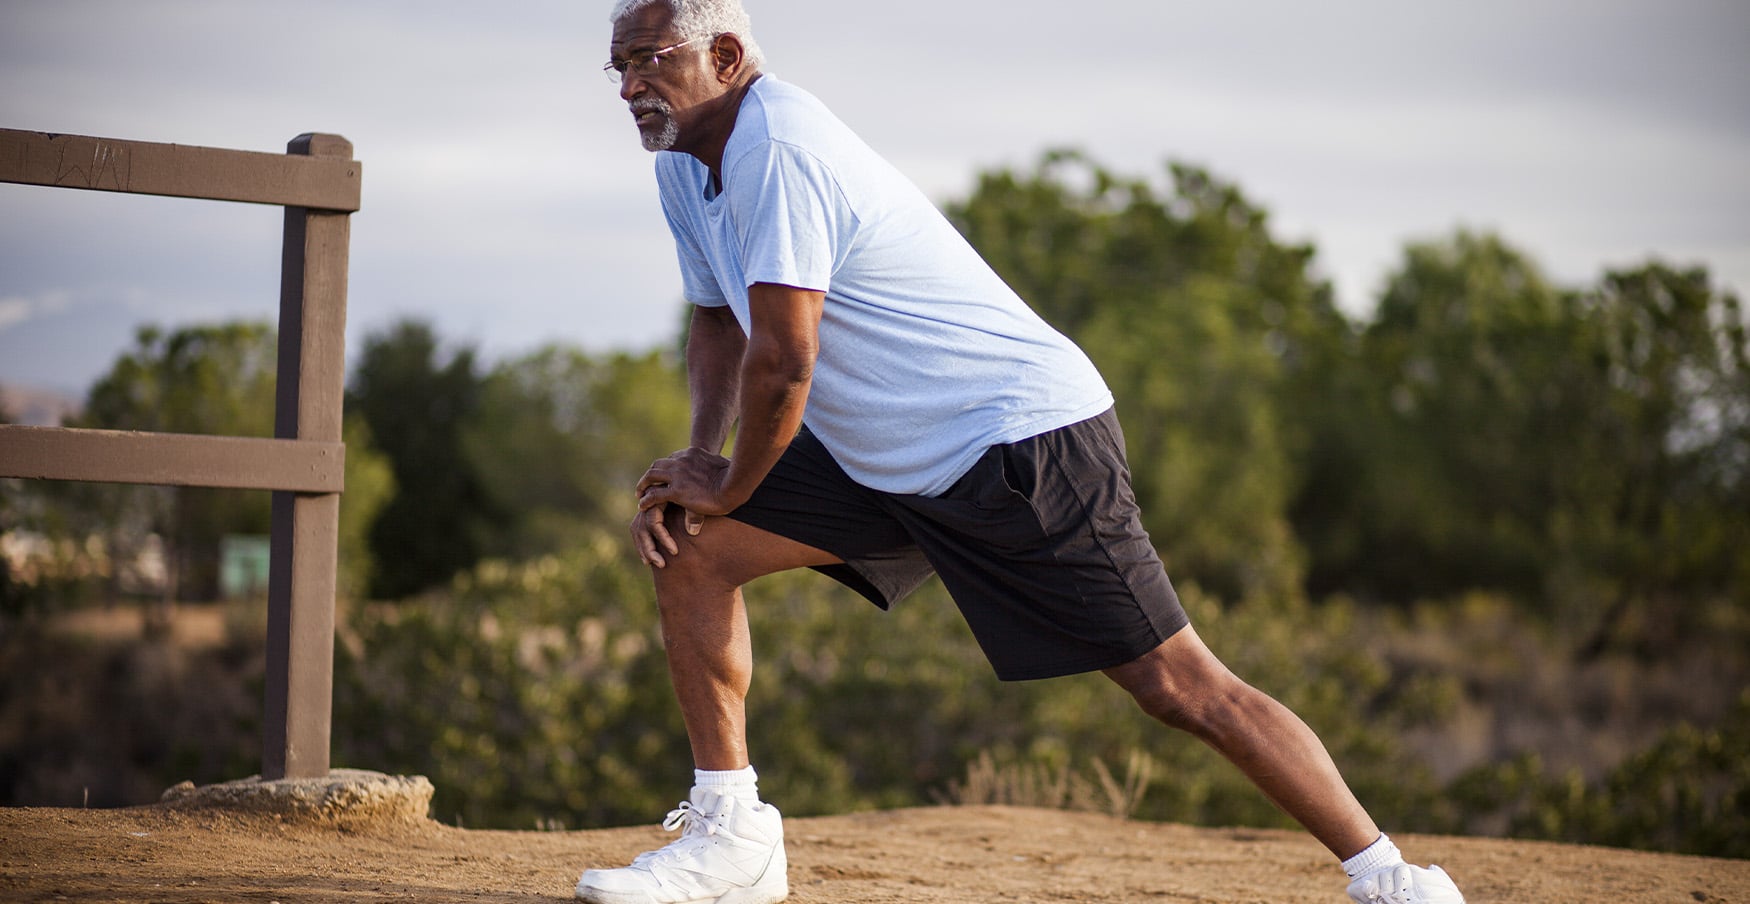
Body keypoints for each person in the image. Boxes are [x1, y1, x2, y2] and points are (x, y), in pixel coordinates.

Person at [577, 1, 1469, 902]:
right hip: (883, 449)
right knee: (690, 548)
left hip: (1017, 439)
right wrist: (701, 466)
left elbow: (787, 358)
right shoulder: (687, 166)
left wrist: (730, 481)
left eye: (649, 59)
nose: (630, 85)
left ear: (727, 56)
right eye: (617, 67)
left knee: (1178, 685)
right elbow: (718, 321)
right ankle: (734, 841)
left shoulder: (781, 149)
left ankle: (1392, 878)